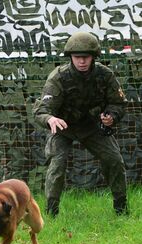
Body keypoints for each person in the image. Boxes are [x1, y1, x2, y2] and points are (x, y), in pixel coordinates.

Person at [33, 31, 129, 217]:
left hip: (92, 127)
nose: (82, 61)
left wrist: (111, 116)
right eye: (77, 57)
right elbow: (41, 110)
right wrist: (50, 119)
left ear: (94, 57)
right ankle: (51, 212)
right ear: (71, 57)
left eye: (86, 57)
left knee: (114, 160)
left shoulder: (105, 75)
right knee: (57, 164)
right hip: (63, 127)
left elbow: (118, 103)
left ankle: (121, 208)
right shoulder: (58, 78)